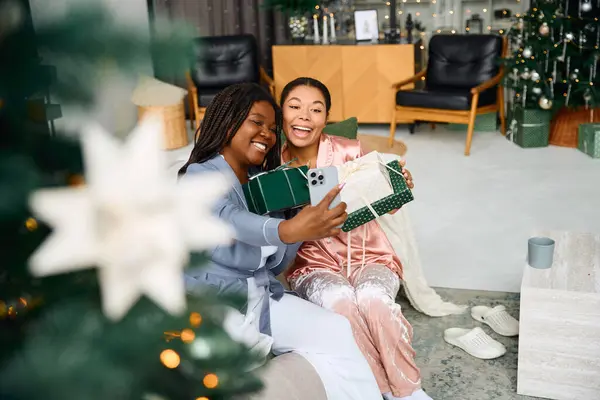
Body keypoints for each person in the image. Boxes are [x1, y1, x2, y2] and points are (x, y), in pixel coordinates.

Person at [178, 82, 382, 400]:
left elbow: (275, 262)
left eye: (272, 128)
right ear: (226, 122)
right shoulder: (199, 176)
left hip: (263, 299)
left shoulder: (263, 183)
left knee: (336, 329)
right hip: (218, 308)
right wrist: (288, 231)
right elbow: (231, 220)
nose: (267, 134)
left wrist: (304, 217)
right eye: (257, 122)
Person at [279, 77, 433, 400]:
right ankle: (378, 390)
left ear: (326, 117)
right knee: (342, 306)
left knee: (373, 301)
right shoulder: (273, 168)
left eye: (315, 109)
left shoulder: (349, 150)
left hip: (369, 255)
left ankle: (408, 391)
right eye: (295, 107)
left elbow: (385, 204)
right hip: (314, 265)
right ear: (282, 112)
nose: (304, 116)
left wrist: (398, 185)